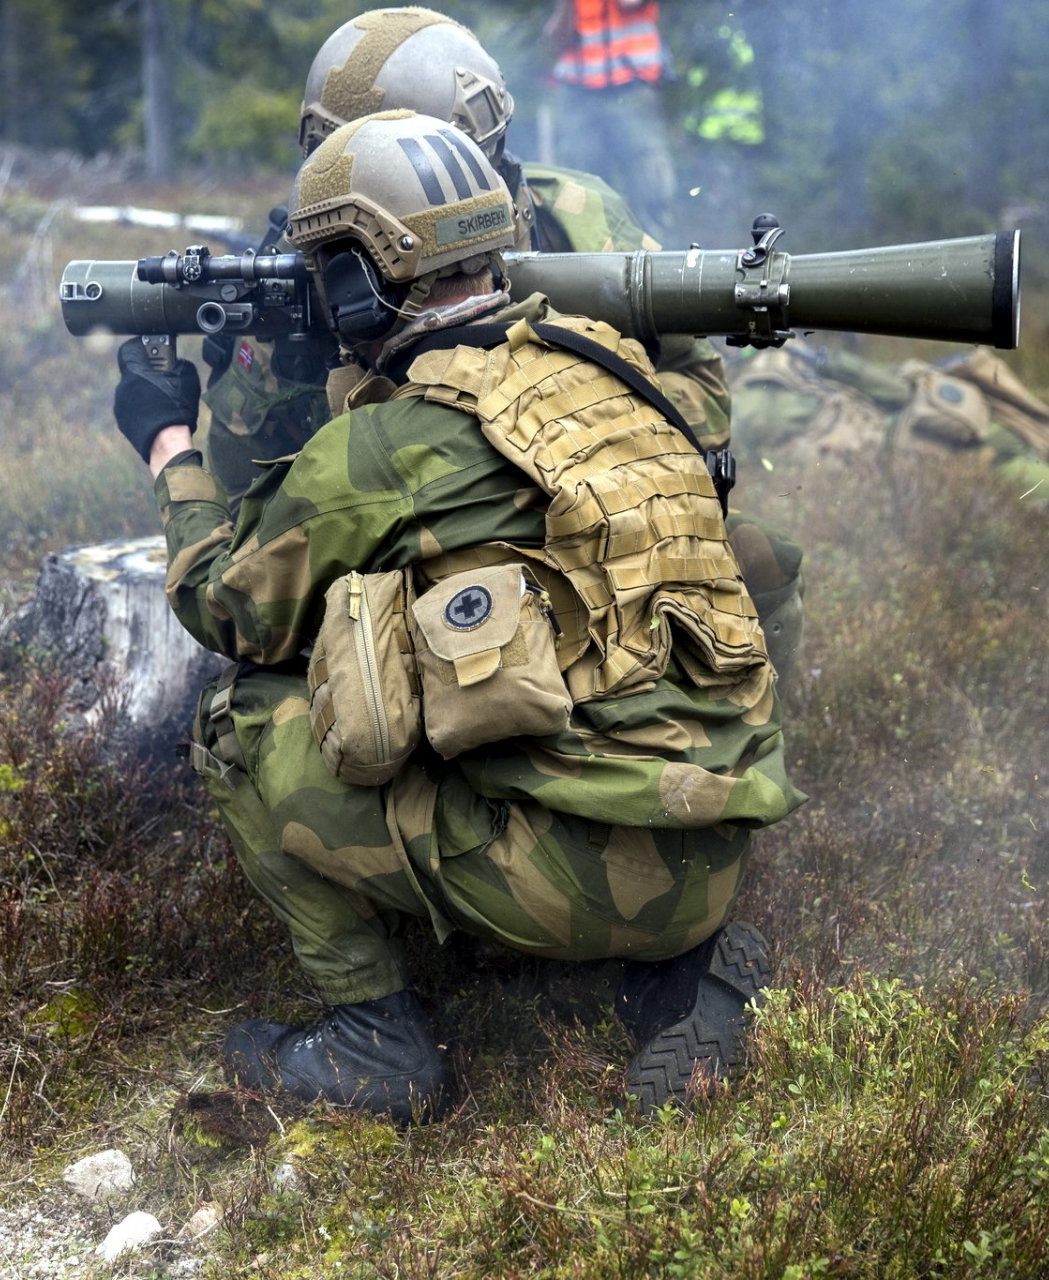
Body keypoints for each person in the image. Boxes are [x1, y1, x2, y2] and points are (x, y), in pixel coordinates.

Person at [113, 111, 801, 1122]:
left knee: (245, 716)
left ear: (357, 279)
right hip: (719, 843)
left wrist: (171, 442)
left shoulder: (390, 443)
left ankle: (372, 1035)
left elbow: (224, 601)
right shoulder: (610, 363)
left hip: (575, 880)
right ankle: (686, 972)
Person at [198, 6, 805, 685]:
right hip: (405, 535)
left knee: (752, 554)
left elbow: (704, 396)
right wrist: (279, 353)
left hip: (577, 512)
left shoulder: (576, 218)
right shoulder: (324, 267)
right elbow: (242, 489)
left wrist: (553, 428)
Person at [729, 341, 1049, 509]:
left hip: (918, 452)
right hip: (936, 435)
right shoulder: (789, 364)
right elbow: (896, 388)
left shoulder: (753, 398)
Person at [545, 0, 678, 238]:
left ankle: (656, 259)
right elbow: (556, 38)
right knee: (580, 183)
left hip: (632, 85)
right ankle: (588, 258)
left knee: (648, 179)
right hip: (579, 91)